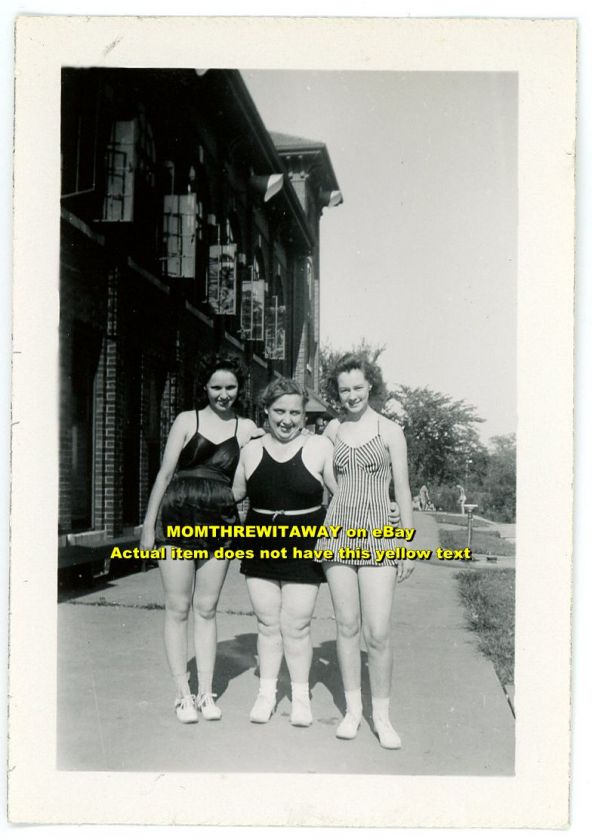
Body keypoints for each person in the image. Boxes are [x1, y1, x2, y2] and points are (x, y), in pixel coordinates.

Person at [140, 354, 260, 724]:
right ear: (204, 388)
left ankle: (205, 694)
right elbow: (163, 475)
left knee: (206, 608)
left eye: (231, 387)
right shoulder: (185, 420)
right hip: (176, 516)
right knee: (177, 608)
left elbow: (253, 478)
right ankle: (182, 694)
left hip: (219, 520)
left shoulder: (248, 428)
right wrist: (147, 528)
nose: (224, 395)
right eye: (216, 387)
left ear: (240, 388)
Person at [314, 353, 414, 749]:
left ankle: (382, 717)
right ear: (336, 393)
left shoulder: (390, 430)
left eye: (357, 387)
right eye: (344, 389)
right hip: (338, 531)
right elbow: (316, 469)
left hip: (378, 534)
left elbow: (403, 489)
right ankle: (353, 711)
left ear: (370, 385)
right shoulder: (333, 430)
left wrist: (406, 545)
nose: (351, 395)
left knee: (378, 631)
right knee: (346, 625)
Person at [232, 378, 337, 727]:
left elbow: (344, 495)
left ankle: (301, 697)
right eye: (280, 411)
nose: (287, 419)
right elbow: (229, 495)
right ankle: (266, 694)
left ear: (304, 415)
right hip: (260, 539)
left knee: (297, 625)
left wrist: (388, 510)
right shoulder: (249, 449)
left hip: (305, 542)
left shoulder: (321, 447)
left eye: (295, 412)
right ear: (266, 411)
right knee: (266, 623)